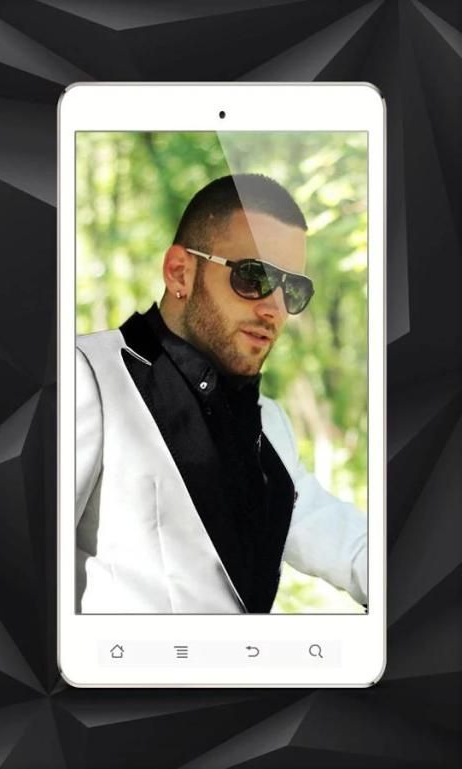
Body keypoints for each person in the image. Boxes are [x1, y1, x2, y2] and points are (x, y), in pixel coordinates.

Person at [76, 173, 367, 614]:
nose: (273, 308)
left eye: (291, 289)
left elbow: (346, 543)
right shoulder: (88, 374)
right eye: (253, 276)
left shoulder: (270, 423)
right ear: (180, 272)